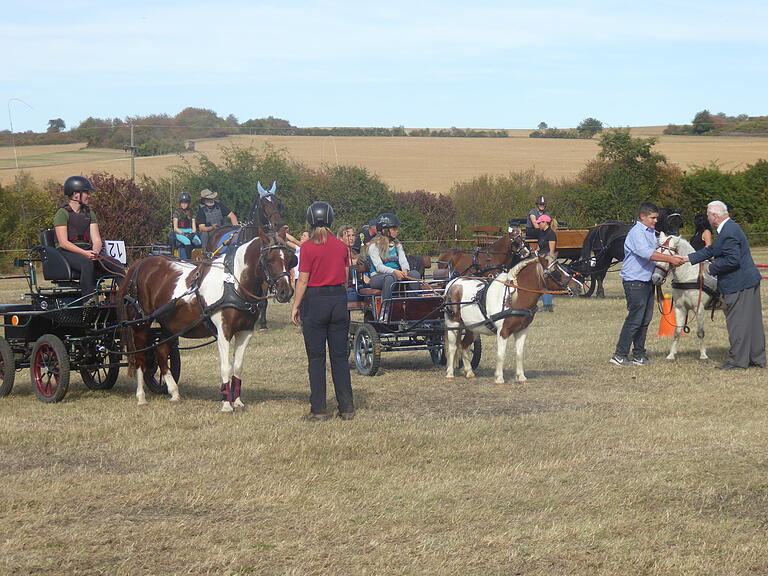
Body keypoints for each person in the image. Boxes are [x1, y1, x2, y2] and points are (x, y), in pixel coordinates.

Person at [681, 201, 765, 370]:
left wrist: (712, 268)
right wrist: (687, 259)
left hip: (739, 283)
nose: (706, 217)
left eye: (707, 214)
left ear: (714, 216)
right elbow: (712, 250)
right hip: (748, 281)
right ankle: (756, 358)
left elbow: (732, 260)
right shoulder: (728, 228)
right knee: (752, 323)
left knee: (738, 323)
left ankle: (737, 362)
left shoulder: (728, 232)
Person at [291, 202, 355, 421]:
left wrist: (296, 305)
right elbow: (346, 276)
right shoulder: (341, 246)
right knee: (339, 357)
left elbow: (303, 281)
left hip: (315, 301)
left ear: (310, 220)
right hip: (338, 300)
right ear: (330, 219)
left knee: (316, 358)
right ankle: (346, 408)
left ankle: (319, 409)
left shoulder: (307, 247)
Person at [610, 202, 686, 367]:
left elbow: (658, 250)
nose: (655, 221)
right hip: (634, 282)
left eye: (656, 218)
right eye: (652, 218)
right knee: (635, 318)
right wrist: (670, 259)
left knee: (645, 319)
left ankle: (639, 354)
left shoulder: (651, 232)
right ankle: (620, 355)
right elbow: (646, 253)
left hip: (647, 281)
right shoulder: (637, 232)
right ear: (642, 217)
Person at [53, 176, 124, 302]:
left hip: (88, 250)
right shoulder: (62, 213)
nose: (89, 196)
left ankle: (127, 298)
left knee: (117, 264)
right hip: (67, 252)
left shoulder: (89, 213)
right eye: (86, 192)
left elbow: (97, 240)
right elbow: (63, 243)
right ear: (75, 194)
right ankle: (88, 299)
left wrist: (95, 252)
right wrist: (85, 253)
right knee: (86, 262)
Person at [368, 213, 422, 315]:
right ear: (385, 230)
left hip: (396, 274)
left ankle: (414, 307)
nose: (396, 231)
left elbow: (403, 260)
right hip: (378, 277)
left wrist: (405, 270)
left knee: (414, 274)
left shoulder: (397, 244)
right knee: (390, 277)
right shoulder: (374, 246)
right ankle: (385, 310)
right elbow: (379, 267)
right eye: (394, 229)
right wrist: (395, 272)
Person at [536, 214, 557, 312]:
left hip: (547, 259)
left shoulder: (551, 234)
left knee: (545, 278)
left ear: (545, 222)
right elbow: (540, 247)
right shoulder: (541, 233)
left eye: (540, 223)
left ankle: (548, 305)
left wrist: (544, 261)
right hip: (540, 257)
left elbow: (551, 252)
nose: (538, 224)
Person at [172, 191, 201, 260]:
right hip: (180, 232)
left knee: (198, 241)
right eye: (182, 202)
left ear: (188, 203)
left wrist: (193, 233)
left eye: (185, 203)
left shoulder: (191, 212)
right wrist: (184, 234)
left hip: (189, 231)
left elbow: (193, 227)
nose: (183, 204)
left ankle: (198, 258)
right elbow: (175, 228)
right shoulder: (177, 212)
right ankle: (189, 260)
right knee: (187, 242)